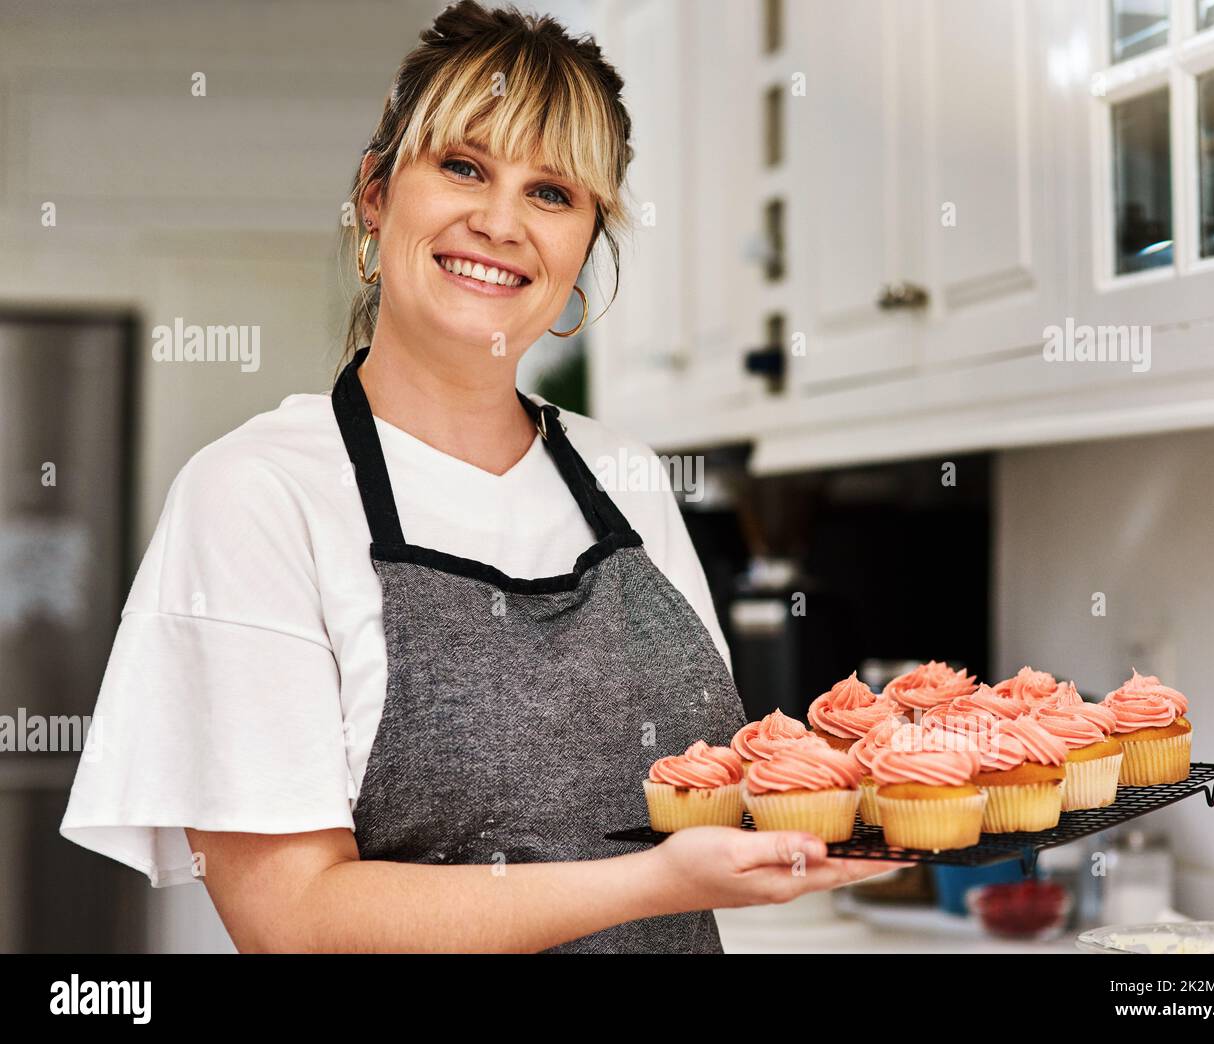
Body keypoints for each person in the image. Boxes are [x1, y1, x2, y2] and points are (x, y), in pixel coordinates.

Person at [60, 0, 903, 953]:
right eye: (463, 166)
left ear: (586, 244)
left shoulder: (621, 476)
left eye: (553, 192)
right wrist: (648, 883)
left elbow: (706, 790)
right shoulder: (257, 494)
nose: (501, 222)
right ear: (375, 197)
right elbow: (291, 921)